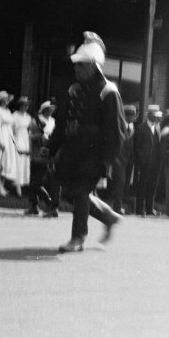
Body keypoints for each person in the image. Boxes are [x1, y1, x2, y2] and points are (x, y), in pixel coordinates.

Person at [47, 31, 126, 252]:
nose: (76, 69)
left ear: (93, 66)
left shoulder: (108, 91)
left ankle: (78, 238)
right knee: (72, 192)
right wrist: (51, 147)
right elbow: (62, 123)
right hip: (74, 150)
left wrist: (107, 161)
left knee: (81, 191)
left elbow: (116, 131)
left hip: (95, 152)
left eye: (81, 65)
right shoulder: (74, 90)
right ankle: (107, 216)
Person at [26, 101, 58, 217]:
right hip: (36, 154)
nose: (51, 111)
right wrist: (40, 136)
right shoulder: (35, 121)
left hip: (48, 155)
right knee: (35, 182)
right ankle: (34, 205)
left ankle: (49, 204)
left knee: (40, 182)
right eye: (49, 109)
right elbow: (31, 136)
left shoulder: (53, 122)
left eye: (52, 109)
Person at [134, 104, 162, 217]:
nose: (157, 118)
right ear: (149, 115)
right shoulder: (141, 128)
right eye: (155, 116)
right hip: (145, 163)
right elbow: (137, 147)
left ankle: (150, 209)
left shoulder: (157, 128)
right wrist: (141, 160)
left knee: (152, 186)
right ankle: (140, 209)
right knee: (143, 186)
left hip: (155, 163)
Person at [109, 104, 137, 215]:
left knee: (125, 184)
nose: (134, 118)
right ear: (127, 116)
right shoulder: (119, 126)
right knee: (120, 182)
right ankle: (117, 207)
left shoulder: (133, 127)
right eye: (133, 116)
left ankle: (121, 205)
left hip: (129, 160)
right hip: (119, 159)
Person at [12, 96, 33, 197]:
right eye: (24, 105)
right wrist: (14, 142)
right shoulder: (14, 116)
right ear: (20, 106)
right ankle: (17, 187)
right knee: (18, 162)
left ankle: (23, 184)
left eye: (27, 105)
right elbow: (12, 130)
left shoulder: (28, 117)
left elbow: (30, 130)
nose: (26, 107)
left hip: (26, 139)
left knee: (25, 162)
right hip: (18, 138)